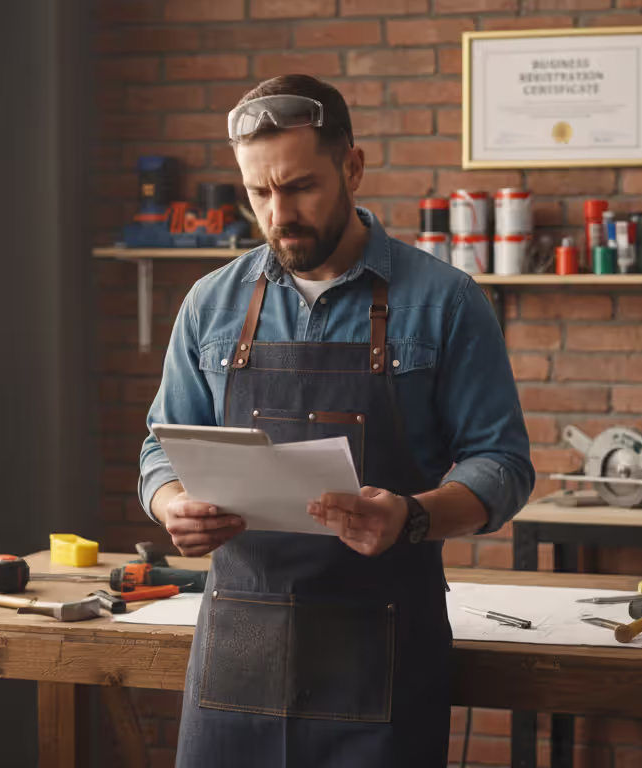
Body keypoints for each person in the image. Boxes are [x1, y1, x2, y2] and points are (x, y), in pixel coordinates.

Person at [138, 74, 534, 768]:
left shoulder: (446, 303)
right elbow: (158, 448)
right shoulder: (209, 305)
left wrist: (411, 515)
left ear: (352, 166)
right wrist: (173, 504)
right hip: (238, 647)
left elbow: (501, 464)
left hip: (383, 653)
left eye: (299, 187)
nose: (278, 213)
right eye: (259, 192)